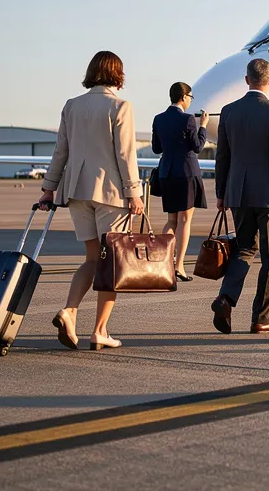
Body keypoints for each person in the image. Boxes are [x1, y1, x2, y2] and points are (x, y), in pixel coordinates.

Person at [40, 51, 145, 351]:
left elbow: (61, 150)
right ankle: (100, 330)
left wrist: (49, 188)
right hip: (111, 194)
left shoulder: (72, 106)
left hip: (76, 191)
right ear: (118, 74)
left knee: (91, 259)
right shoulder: (120, 106)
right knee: (112, 264)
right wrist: (134, 192)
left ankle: (69, 310)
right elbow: (126, 154)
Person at [212, 58, 269, 334]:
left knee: (243, 250)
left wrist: (221, 193)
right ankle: (261, 318)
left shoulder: (228, 111)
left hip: (238, 193)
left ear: (246, 80)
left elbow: (222, 157)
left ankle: (225, 299)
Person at [151, 82, 210, 282]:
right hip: (186, 173)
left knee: (171, 220)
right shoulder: (188, 120)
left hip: (166, 173)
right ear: (184, 97)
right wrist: (203, 127)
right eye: (190, 97)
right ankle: (179, 266)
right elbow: (198, 146)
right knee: (185, 220)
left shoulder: (158, 119)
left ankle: (164, 261)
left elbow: (156, 149)